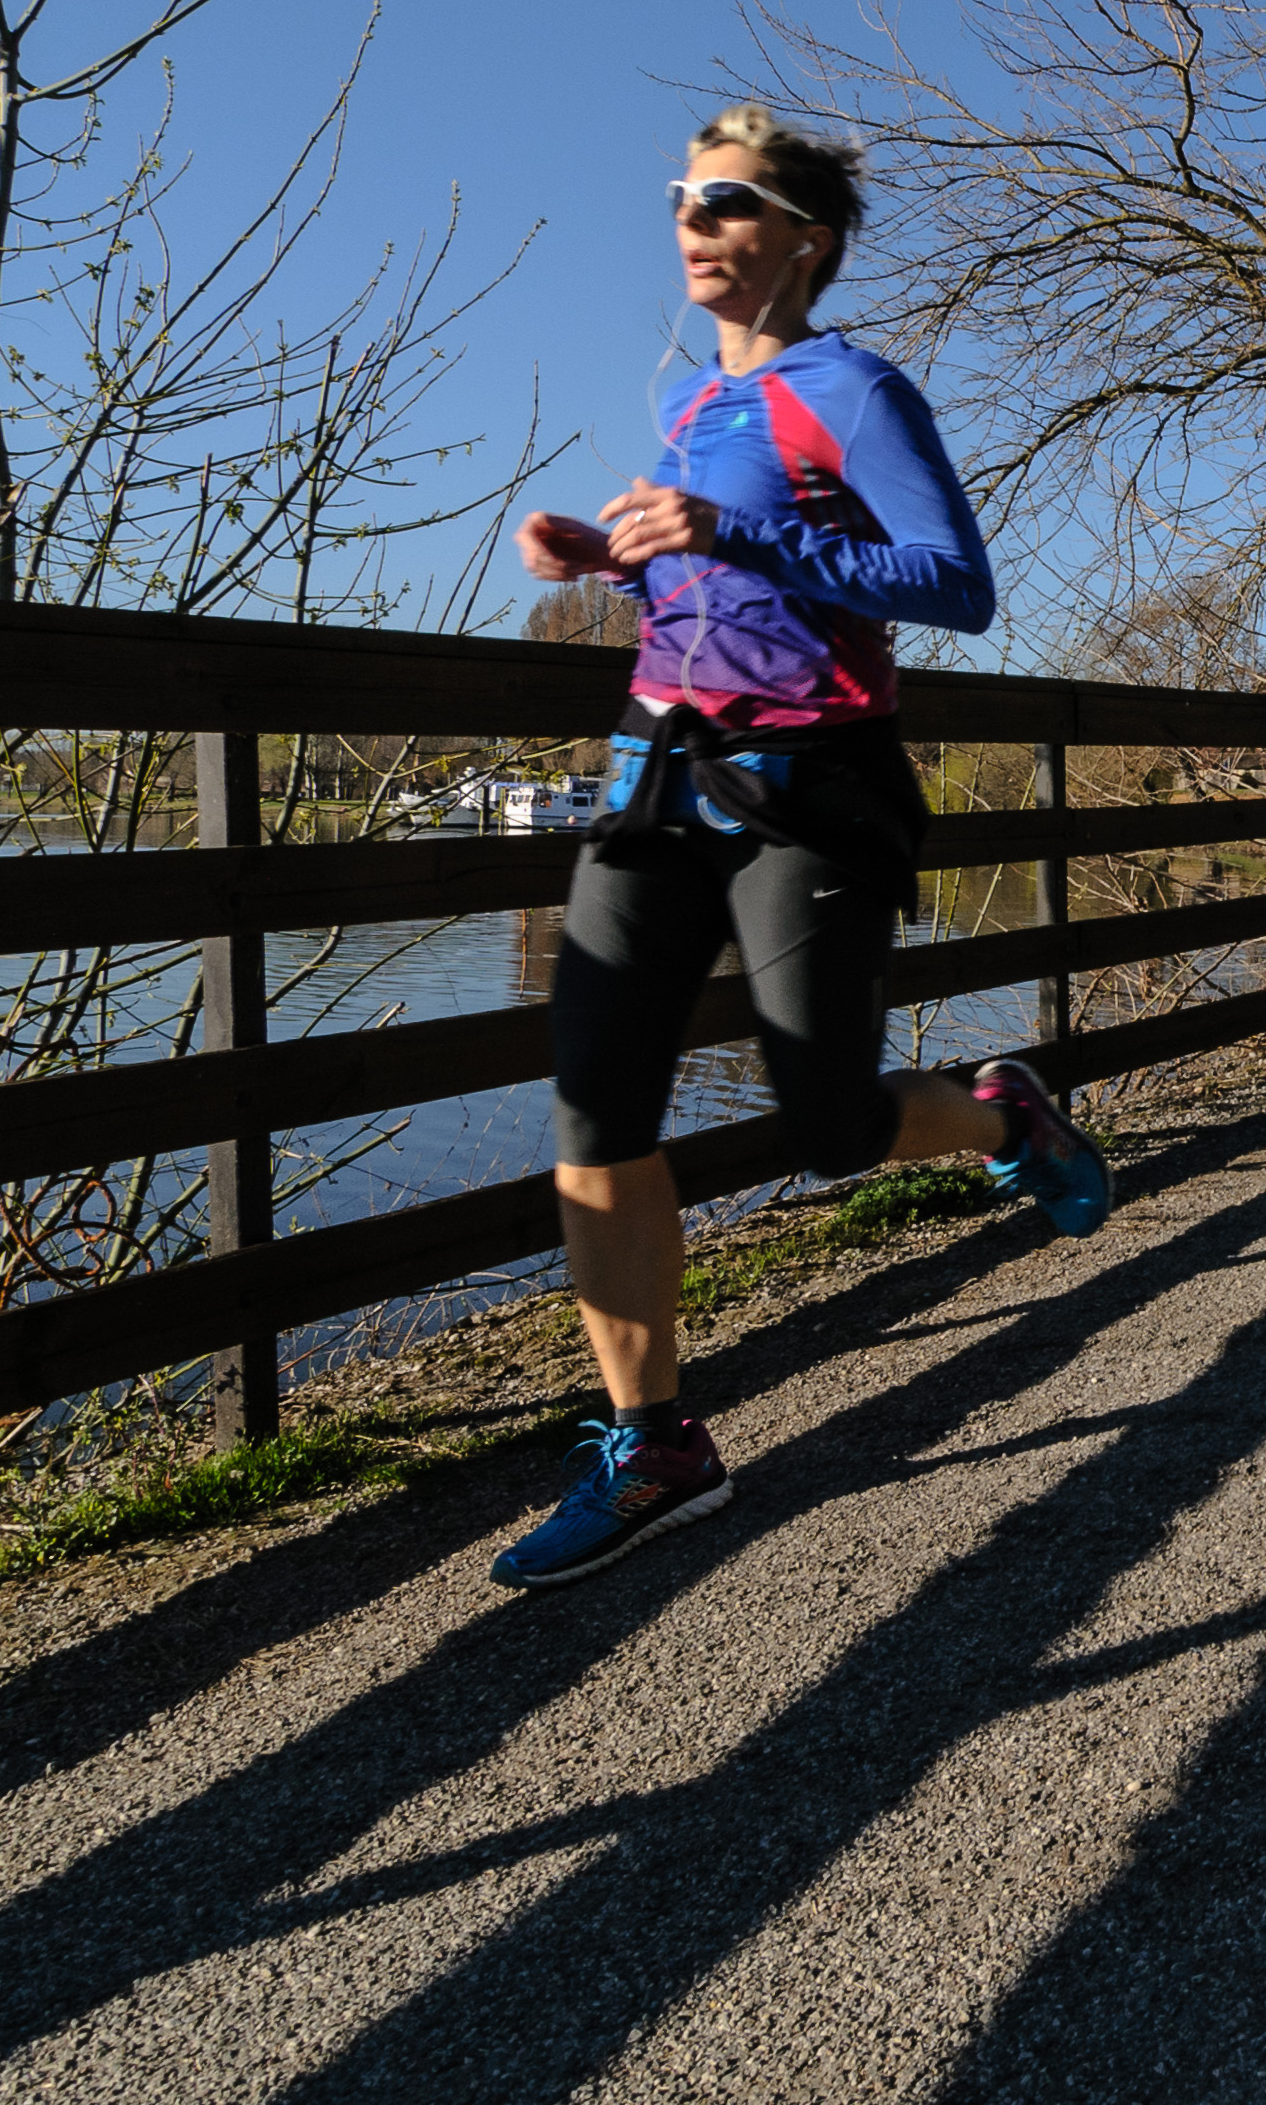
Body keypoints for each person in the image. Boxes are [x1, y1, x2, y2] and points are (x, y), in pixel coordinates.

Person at [490, 102, 1112, 1590]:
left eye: (728, 201)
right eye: (683, 199)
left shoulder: (854, 387)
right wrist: (612, 562)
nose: (695, 223)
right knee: (595, 1105)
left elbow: (953, 584)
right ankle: (657, 1443)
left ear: (804, 239)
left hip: (809, 785)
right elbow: (713, 585)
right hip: (657, 780)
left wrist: (730, 531)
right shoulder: (692, 410)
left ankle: (1002, 1118)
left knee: (829, 1123)